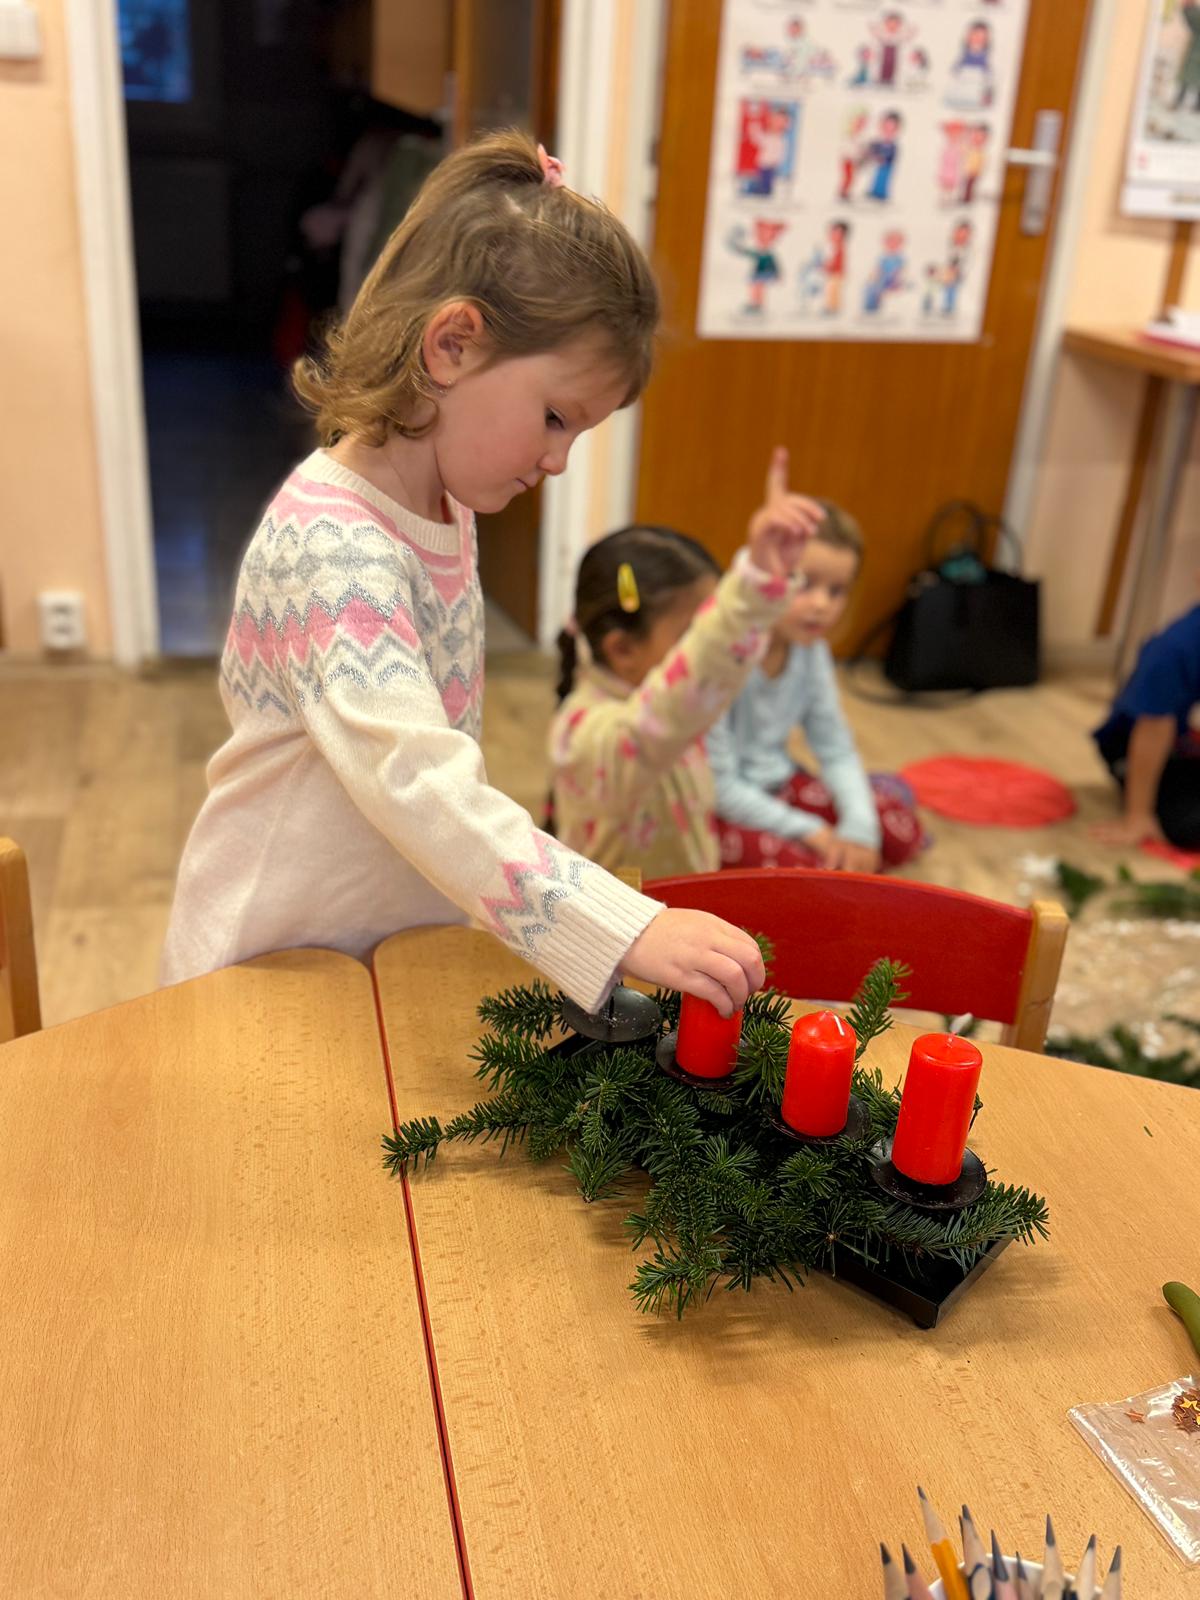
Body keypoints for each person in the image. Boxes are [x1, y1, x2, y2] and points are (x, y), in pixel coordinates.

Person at [161, 131, 767, 1019]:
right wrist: (620, 925)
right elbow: (416, 780)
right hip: (265, 968)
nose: (558, 460)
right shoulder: (333, 548)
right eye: (555, 417)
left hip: (372, 952)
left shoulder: (445, 509)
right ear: (451, 345)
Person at [548, 451, 823, 880]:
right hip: (630, 920)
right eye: (693, 633)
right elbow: (679, 696)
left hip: (687, 897)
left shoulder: (672, 710)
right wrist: (752, 592)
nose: (703, 647)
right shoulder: (589, 734)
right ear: (622, 649)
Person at [710, 508, 924, 873]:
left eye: (836, 590)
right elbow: (720, 789)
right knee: (803, 871)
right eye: (803, 583)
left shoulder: (812, 652)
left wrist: (860, 827)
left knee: (895, 833)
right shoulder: (721, 654)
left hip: (779, 783)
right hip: (718, 806)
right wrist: (813, 831)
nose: (822, 604)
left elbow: (835, 748)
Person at [1091, 601, 1200, 851]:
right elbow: (1152, 730)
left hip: (1183, 742)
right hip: (1135, 747)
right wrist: (1138, 815)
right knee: (1188, 824)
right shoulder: (1174, 648)